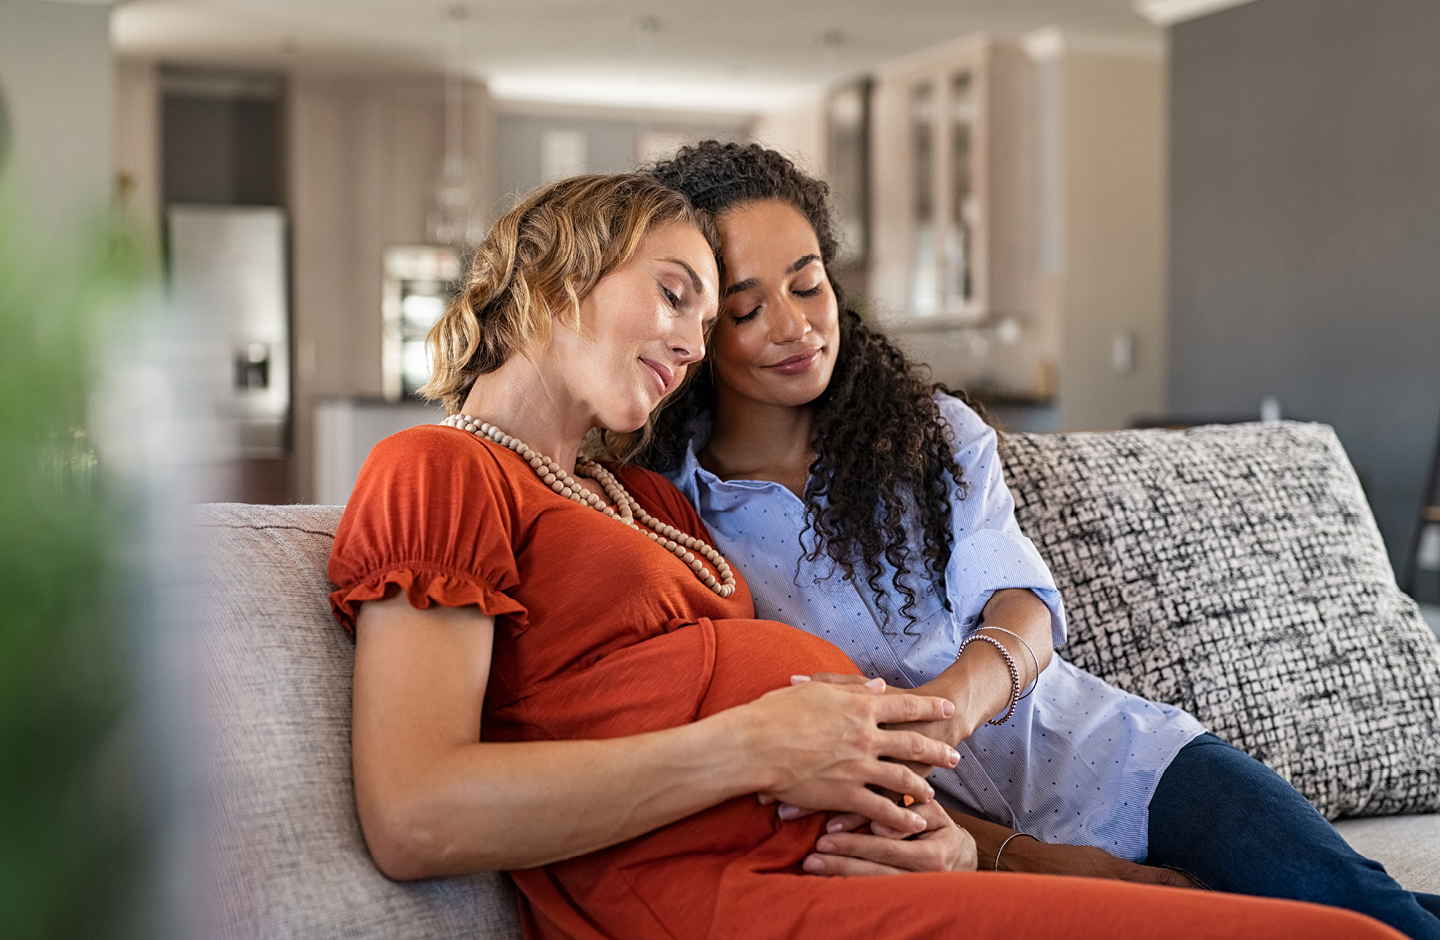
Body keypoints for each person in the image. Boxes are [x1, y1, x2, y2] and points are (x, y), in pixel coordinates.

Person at [327, 172, 1404, 940]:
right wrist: (760, 748)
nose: (700, 338)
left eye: (719, 311)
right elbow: (417, 813)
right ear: (558, 274)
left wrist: (952, 830)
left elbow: (956, 645)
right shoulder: (446, 468)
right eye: (690, 300)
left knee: (1344, 914)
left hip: (947, 811)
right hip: (751, 880)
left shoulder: (641, 497)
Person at [638, 140, 1440, 939]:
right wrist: (1021, 856)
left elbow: (1020, 605)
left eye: (808, 284)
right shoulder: (677, 516)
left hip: (1128, 762)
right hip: (954, 838)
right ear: (700, 325)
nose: (795, 326)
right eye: (746, 309)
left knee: (1364, 908)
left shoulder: (930, 434)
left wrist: (948, 711)